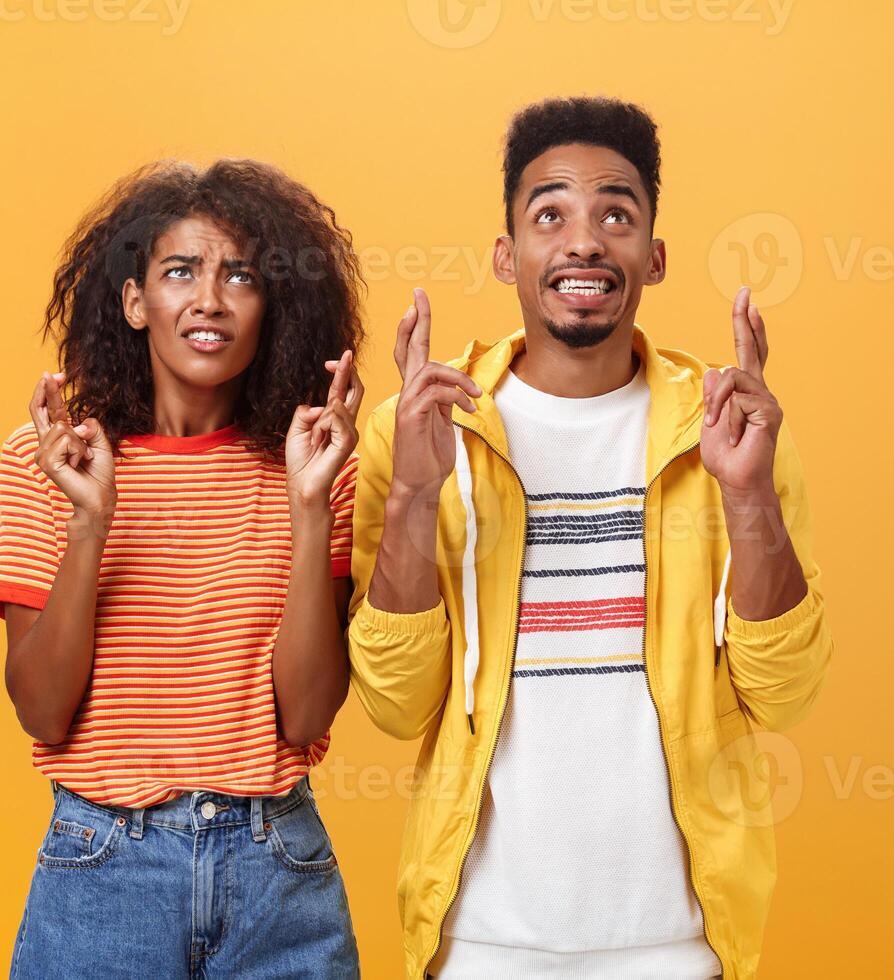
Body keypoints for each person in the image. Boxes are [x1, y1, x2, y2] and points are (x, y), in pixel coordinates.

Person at [347, 97, 832, 979]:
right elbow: (396, 704)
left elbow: (787, 694)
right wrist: (417, 494)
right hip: (481, 945)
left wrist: (750, 494)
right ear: (507, 256)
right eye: (550, 215)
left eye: (616, 212)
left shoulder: (727, 430)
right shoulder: (417, 429)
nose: (583, 240)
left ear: (652, 255)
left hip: (681, 947)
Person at [0, 159, 366, 977]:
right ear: (135, 302)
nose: (210, 298)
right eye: (180, 272)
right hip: (103, 867)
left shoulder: (316, 467)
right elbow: (41, 713)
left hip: (278, 869)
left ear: (272, 306)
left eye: (240, 275)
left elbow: (306, 717)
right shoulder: (44, 462)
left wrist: (309, 510)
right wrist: (90, 523)